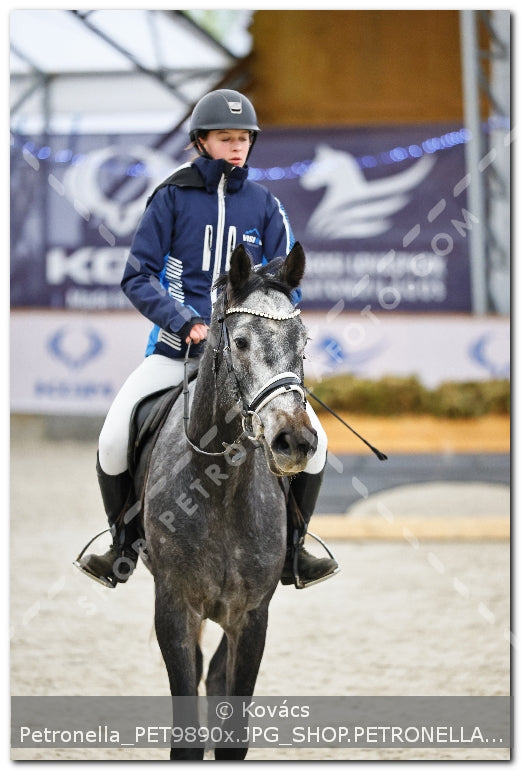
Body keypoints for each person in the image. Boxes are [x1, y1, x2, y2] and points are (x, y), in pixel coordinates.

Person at [74, 89, 339, 589]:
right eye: (225, 138)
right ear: (201, 142)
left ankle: (293, 551)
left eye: (243, 139)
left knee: (318, 445)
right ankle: (123, 545)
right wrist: (184, 321)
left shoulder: (265, 205)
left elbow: (283, 283)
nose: (236, 147)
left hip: (247, 365)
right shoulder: (170, 198)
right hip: (178, 352)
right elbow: (137, 276)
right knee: (113, 437)